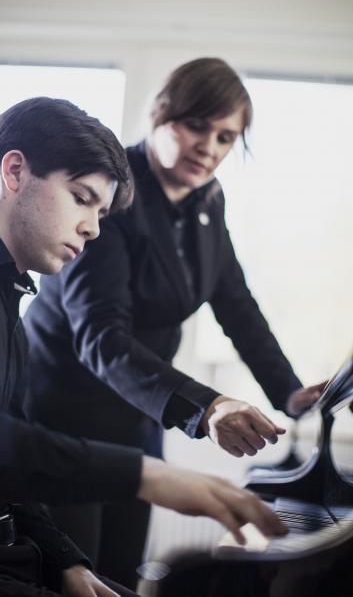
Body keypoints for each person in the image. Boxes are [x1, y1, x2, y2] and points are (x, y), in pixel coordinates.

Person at [0, 96, 288, 597]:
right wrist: (144, 474)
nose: (93, 228)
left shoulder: (8, 302)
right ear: (14, 171)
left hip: (5, 557)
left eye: (100, 209)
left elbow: (7, 476)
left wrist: (67, 562)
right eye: (81, 197)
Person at [23, 60, 326, 589]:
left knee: (122, 572)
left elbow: (235, 303)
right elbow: (103, 340)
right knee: (75, 579)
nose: (209, 146)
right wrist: (208, 407)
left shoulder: (209, 199)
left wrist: (290, 392)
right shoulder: (111, 193)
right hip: (64, 418)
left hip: (138, 418)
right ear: (160, 116)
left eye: (225, 136)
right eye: (195, 125)